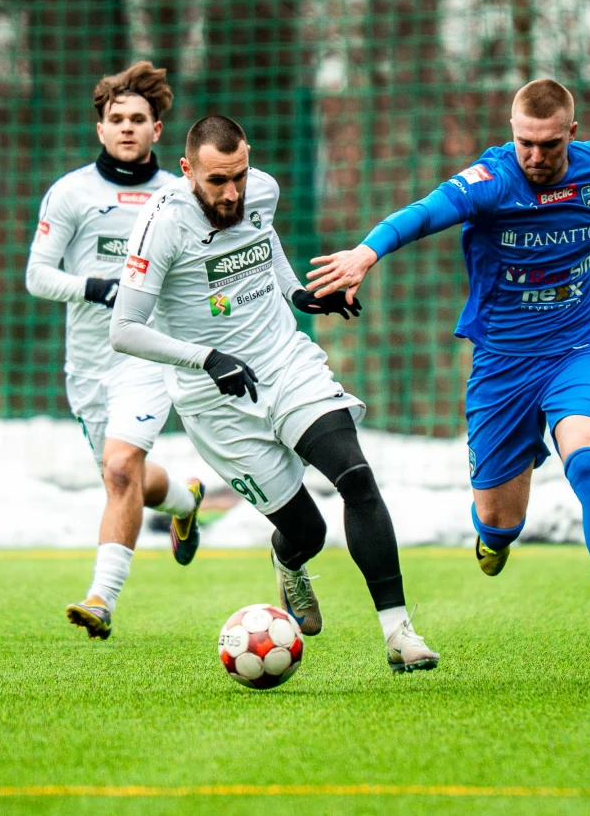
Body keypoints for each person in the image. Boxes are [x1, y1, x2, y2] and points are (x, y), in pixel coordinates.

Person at [305, 80, 590, 671]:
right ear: (512, 133)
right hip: (503, 366)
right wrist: (367, 252)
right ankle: (493, 538)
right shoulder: (490, 181)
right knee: (500, 521)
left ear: (572, 133)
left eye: (548, 144)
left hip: (578, 349)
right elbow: (424, 213)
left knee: (589, 462)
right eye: (524, 143)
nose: (535, 156)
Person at [109, 115, 439, 673]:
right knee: (307, 532)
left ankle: (399, 634)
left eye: (238, 175)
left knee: (356, 477)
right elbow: (124, 330)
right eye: (217, 181)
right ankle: (288, 562)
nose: (231, 193)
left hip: (285, 364)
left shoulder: (260, 189)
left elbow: (264, 238)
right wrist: (207, 358)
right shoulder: (161, 224)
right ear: (187, 169)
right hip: (214, 399)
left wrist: (296, 293)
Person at [25, 62, 202, 642]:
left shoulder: (179, 195)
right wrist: (97, 287)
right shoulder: (71, 193)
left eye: (138, 119)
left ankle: (101, 598)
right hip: (89, 363)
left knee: (122, 467)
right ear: (100, 129)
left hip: (147, 356)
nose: (127, 127)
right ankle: (184, 502)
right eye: (117, 118)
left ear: (157, 129)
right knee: (121, 475)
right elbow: (37, 276)